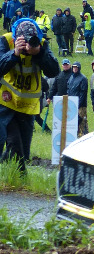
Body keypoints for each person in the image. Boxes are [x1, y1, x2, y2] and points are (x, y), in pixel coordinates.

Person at [0, 18, 59, 173]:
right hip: (5, 101)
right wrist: (14, 54)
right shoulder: (6, 41)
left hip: (27, 104)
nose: (27, 46)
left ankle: (10, 171)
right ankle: (16, 176)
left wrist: (39, 53)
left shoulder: (41, 44)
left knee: (23, 152)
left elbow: (54, 71)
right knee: (11, 141)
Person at [67, 62, 89, 135]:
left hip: (81, 105)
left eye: (76, 67)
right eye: (73, 67)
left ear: (79, 68)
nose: (75, 69)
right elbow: (68, 89)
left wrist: (78, 104)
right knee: (74, 122)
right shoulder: (71, 77)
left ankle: (85, 135)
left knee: (82, 121)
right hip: (72, 104)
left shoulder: (83, 78)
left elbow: (83, 93)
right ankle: (76, 135)